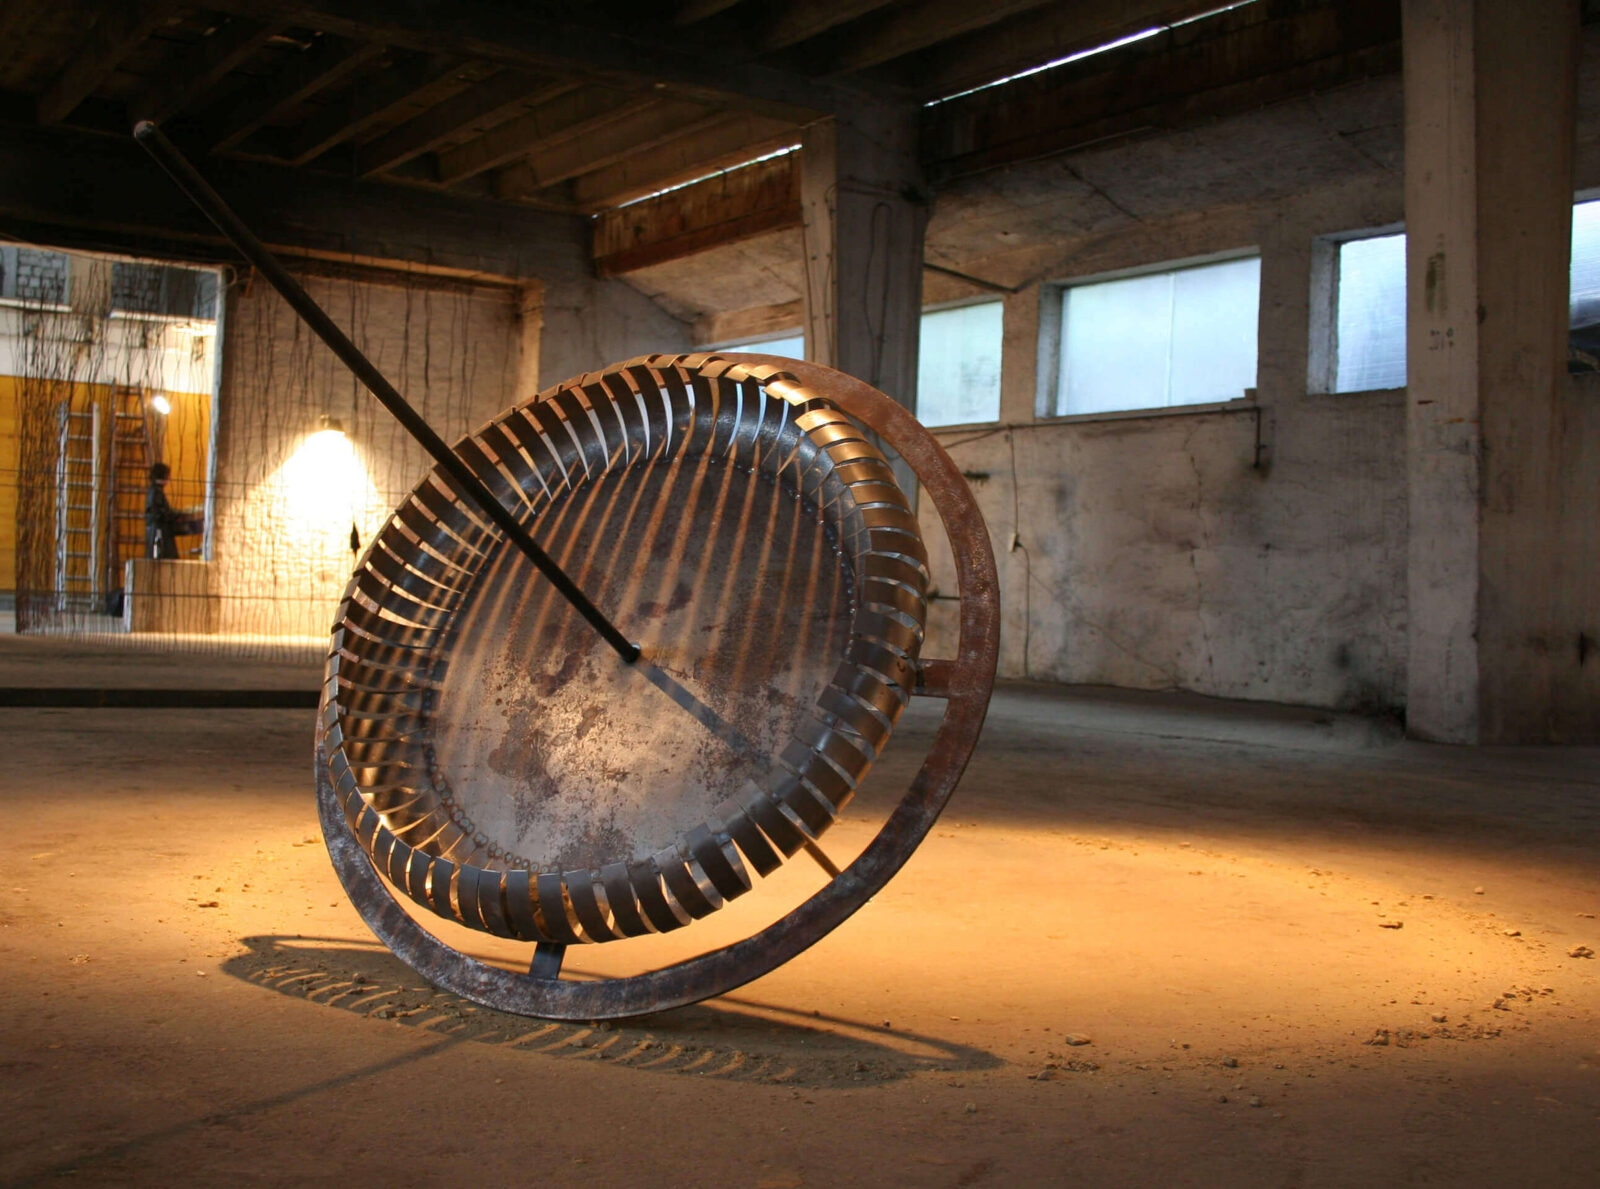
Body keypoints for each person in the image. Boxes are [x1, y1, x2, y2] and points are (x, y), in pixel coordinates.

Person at [144, 462, 185, 560]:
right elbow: (161, 513)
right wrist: (177, 515)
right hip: (161, 533)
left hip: (155, 532)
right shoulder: (157, 492)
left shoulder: (153, 490)